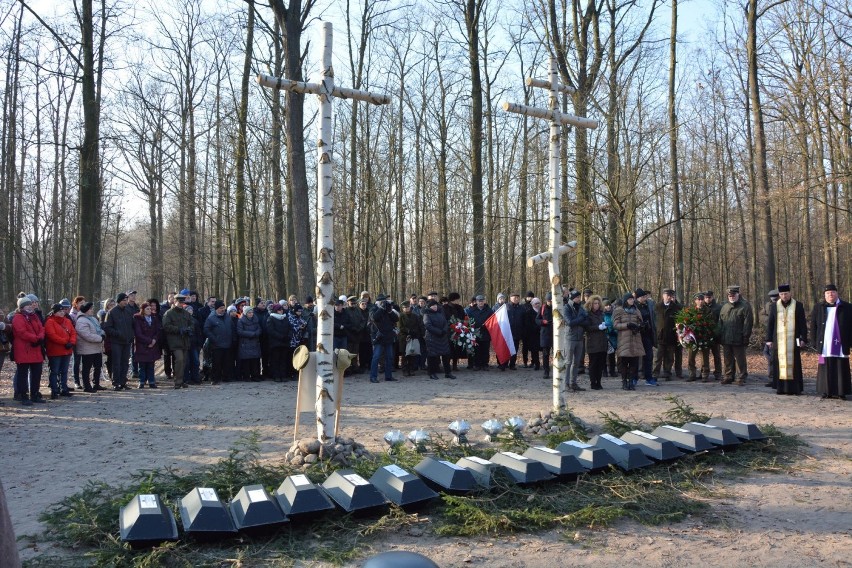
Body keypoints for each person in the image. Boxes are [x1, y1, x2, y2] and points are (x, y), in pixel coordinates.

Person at [810, 284, 852, 400]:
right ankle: (825, 391)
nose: (830, 295)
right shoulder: (819, 307)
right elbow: (813, 325)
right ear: (825, 295)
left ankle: (841, 392)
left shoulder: (847, 307)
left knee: (840, 366)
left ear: (837, 293)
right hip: (824, 344)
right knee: (824, 366)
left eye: (832, 292)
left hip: (841, 343)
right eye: (828, 293)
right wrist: (814, 341)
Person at [765, 284, 806, 396]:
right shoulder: (774, 306)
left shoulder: (798, 305)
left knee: (795, 364)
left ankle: (795, 388)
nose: (784, 296)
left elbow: (802, 323)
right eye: (782, 294)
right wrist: (768, 339)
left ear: (790, 293)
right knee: (779, 363)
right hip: (778, 340)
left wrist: (804, 338)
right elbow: (770, 324)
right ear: (779, 295)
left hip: (794, 340)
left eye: (786, 294)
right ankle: (781, 388)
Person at [12, 296, 46, 405]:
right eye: (28, 305)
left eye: (31, 305)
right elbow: (21, 332)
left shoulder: (34, 316)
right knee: (23, 374)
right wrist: (35, 338)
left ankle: (35, 394)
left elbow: (41, 328)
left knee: (36, 373)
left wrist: (40, 337)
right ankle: (23, 395)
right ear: (22, 307)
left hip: (35, 349)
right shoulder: (18, 317)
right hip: (24, 350)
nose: (30, 307)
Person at [719, 285, 753, 386]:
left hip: (739, 337)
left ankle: (741, 377)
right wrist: (719, 335)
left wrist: (746, 336)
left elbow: (748, 323)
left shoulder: (745, 306)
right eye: (730, 295)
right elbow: (720, 322)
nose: (732, 297)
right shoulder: (724, 307)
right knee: (727, 359)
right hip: (726, 338)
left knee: (740, 359)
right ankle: (728, 376)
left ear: (738, 294)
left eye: (734, 295)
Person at [101, 292, 135, 390]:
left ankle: (123, 381)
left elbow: (132, 325)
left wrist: (131, 335)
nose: (126, 302)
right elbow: (107, 327)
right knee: (117, 362)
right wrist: (118, 333)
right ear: (119, 301)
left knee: (125, 362)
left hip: (127, 341)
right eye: (124, 300)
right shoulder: (111, 312)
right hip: (116, 342)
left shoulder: (128, 311)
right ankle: (116, 382)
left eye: (126, 300)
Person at [161, 292, 195, 389]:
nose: (181, 304)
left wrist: (189, 329)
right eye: (180, 302)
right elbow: (166, 326)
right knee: (179, 360)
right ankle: (178, 381)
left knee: (183, 361)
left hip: (185, 340)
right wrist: (179, 330)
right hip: (175, 341)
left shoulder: (185, 313)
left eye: (182, 302)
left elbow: (192, 323)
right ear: (175, 302)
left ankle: (181, 380)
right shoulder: (169, 313)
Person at [613, 293, 645, 391]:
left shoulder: (636, 310)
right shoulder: (619, 310)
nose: (632, 300)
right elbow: (615, 325)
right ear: (626, 300)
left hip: (635, 339)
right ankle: (624, 382)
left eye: (632, 299)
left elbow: (640, 322)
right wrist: (627, 325)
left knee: (634, 363)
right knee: (623, 362)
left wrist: (640, 326)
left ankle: (631, 381)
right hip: (624, 339)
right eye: (630, 299)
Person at [45, 303, 77, 399]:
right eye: (60, 311)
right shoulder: (49, 322)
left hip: (67, 350)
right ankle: (54, 390)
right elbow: (52, 335)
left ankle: (64, 388)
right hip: (55, 350)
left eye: (63, 311)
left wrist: (71, 342)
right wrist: (65, 342)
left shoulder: (67, 321)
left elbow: (73, 333)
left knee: (64, 371)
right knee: (54, 371)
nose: (62, 313)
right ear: (54, 312)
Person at [74, 301, 106, 392]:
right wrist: (100, 338)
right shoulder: (81, 321)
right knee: (87, 368)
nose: (92, 310)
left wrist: (103, 334)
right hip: (87, 349)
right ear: (86, 310)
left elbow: (99, 329)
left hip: (96, 348)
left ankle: (96, 384)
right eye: (91, 309)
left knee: (98, 366)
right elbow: (86, 335)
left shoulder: (93, 319)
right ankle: (86, 386)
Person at [368, 294, 399, 383]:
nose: (384, 303)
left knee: (389, 357)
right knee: (376, 357)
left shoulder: (387, 310)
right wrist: (381, 308)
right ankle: (373, 377)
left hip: (388, 337)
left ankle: (388, 376)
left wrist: (390, 311)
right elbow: (374, 317)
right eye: (382, 302)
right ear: (377, 302)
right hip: (378, 337)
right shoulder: (373, 308)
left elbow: (396, 319)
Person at [653, 289, 682, 380]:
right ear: (663, 296)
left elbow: (679, 321)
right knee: (658, 357)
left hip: (671, 336)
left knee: (669, 357)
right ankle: (655, 374)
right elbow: (653, 320)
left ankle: (667, 373)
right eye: (667, 295)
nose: (669, 297)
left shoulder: (676, 307)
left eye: (670, 295)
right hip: (660, 336)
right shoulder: (657, 307)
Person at [423, 299, 454, 380]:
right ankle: (432, 373)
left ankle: (448, 372)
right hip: (432, 338)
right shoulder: (426, 314)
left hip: (443, 338)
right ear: (429, 307)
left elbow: (446, 323)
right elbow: (428, 326)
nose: (435, 307)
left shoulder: (440, 313)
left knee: (446, 356)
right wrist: (439, 332)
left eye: (436, 305)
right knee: (432, 357)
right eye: (433, 306)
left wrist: (444, 330)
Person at [133, 302, 162, 388]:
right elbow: (138, 333)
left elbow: (157, 330)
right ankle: (141, 381)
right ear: (143, 310)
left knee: (151, 364)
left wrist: (154, 340)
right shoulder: (138, 319)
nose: (150, 310)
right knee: (142, 365)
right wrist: (149, 341)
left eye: (150, 309)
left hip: (152, 345)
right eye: (147, 309)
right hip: (142, 345)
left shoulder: (154, 318)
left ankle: (151, 381)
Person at [203, 300, 233, 384]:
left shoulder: (227, 317)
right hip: (217, 344)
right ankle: (215, 378)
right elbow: (206, 329)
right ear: (217, 309)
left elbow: (232, 327)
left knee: (227, 362)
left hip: (227, 343)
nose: (223, 309)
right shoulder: (211, 318)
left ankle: (226, 377)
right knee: (217, 362)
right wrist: (214, 338)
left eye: (224, 307)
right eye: (221, 308)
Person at [686, 293, 713, 383]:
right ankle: (692, 374)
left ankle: (705, 374)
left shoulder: (708, 311)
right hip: (693, 338)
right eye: (698, 299)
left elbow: (711, 323)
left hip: (704, 337)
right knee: (691, 357)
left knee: (704, 357)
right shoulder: (691, 311)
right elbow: (687, 323)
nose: (700, 301)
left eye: (702, 299)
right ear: (695, 301)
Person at [583, 295, 608, 390]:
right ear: (591, 304)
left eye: (598, 303)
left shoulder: (602, 314)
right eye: (595, 303)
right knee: (593, 363)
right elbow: (587, 328)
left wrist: (605, 326)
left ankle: (599, 381)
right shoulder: (588, 314)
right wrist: (598, 327)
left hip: (602, 341)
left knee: (601, 364)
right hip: (592, 342)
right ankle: (593, 382)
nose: (596, 305)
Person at [564, 289, 588, 391]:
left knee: (576, 362)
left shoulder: (581, 308)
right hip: (570, 337)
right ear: (573, 298)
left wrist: (579, 320)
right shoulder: (566, 307)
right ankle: (566, 384)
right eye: (577, 297)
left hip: (579, 337)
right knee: (568, 362)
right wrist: (581, 319)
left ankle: (573, 383)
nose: (579, 299)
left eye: (579, 297)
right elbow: (570, 322)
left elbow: (587, 322)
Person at [634, 288, 657, 385]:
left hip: (647, 334)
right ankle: (634, 377)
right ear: (638, 298)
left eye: (645, 296)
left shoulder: (648, 305)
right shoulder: (634, 307)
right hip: (637, 334)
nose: (645, 298)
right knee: (635, 358)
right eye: (643, 297)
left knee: (649, 356)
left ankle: (649, 377)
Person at [466, 295, 493, 371]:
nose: (480, 302)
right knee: (476, 350)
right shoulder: (471, 311)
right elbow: (468, 321)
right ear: (476, 302)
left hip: (486, 333)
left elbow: (493, 321)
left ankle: (485, 364)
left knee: (485, 350)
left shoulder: (489, 310)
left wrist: (487, 326)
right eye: (479, 301)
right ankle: (476, 364)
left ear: (484, 301)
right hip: (475, 333)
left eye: (482, 301)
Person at [237, 305, 263, 381]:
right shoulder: (241, 321)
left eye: (252, 312)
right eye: (249, 312)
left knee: (255, 361)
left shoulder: (255, 320)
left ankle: (255, 376)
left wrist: (256, 333)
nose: (251, 314)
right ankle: (246, 376)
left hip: (255, 343)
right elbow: (240, 331)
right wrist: (252, 334)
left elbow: (259, 329)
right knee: (246, 361)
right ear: (245, 313)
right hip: (245, 343)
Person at [399, 300, 425, 376]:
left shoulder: (415, 316)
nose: (406, 309)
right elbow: (400, 327)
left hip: (413, 337)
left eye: (408, 307)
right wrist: (408, 331)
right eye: (405, 308)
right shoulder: (401, 316)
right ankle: (404, 369)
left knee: (412, 354)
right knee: (405, 354)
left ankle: (411, 369)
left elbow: (418, 325)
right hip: (404, 337)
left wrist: (415, 333)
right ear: (402, 308)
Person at [761, 289, 780, 387]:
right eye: (772, 298)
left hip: (778, 335)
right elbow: (762, 316)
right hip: (770, 335)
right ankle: (772, 375)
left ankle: (774, 376)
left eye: (775, 297)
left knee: (773, 356)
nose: (773, 299)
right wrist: (768, 321)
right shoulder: (768, 305)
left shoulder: (780, 305)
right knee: (768, 354)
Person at [703, 290, 723, 379]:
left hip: (715, 335)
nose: (707, 299)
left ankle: (718, 373)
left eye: (709, 297)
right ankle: (705, 372)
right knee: (705, 356)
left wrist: (718, 332)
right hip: (704, 335)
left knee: (717, 355)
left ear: (712, 297)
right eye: (706, 297)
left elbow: (721, 321)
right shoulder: (701, 307)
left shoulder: (718, 307)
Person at [444, 292, 467, 371]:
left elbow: (463, 317)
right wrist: (451, 325)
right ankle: (447, 365)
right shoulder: (445, 307)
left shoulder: (459, 307)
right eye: (458, 299)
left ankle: (454, 365)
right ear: (454, 299)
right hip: (449, 331)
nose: (459, 301)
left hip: (458, 330)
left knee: (457, 348)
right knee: (449, 349)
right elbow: (445, 319)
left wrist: (461, 324)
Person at [505, 292, 525, 370]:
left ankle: (512, 364)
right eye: (514, 297)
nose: (516, 299)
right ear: (510, 298)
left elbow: (524, 320)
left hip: (517, 332)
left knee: (515, 349)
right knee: (507, 348)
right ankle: (505, 363)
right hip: (508, 332)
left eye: (517, 297)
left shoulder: (521, 308)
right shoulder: (506, 307)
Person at [521, 291, 540, 370]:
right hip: (526, 331)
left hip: (537, 332)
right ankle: (525, 361)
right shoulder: (523, 307)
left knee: (535, 348)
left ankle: (534, 362)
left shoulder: (540, 310)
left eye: (531, 297)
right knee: (525, 347)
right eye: (528, 297)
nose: (530, 298)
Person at [536, 293, 553, 379]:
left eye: (551, 300)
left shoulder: (558, 308)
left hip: (555, 334)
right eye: (549, 301)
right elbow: (537, 320)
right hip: (545, 334)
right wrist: (543, 322)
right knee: (545, 354)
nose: (550, 302)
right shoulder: (542, 308)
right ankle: (546, 371)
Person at [602, 300, 618, 377]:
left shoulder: (613, 314)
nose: (608, 306)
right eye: (606, 305)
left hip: (613, 337)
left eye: (609, 305)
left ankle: (612, 371)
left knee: (612, 355)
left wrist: (614, 331)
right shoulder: (602, 315)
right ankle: (604, 371)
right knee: (604, 355)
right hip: (605, 337)